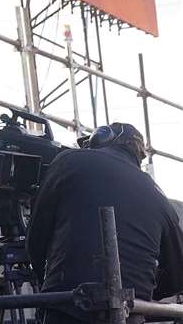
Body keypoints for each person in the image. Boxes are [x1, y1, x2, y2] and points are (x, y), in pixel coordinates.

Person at [26, 123, 183, 321]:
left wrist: (46, 288)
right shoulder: (158, 195)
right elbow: (178, 274)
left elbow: (37, 237)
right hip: (130, 314)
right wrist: (140, 294)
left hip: (70, 307)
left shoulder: (69, 160)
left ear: (100, 138)